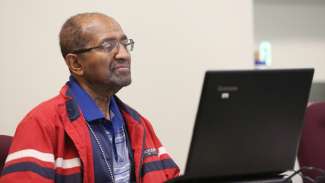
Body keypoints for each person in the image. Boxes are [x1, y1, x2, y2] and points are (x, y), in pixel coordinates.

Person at [0, 12, 179, 183]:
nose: (123, 54)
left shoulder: (138, 124)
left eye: (125, 44)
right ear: (76, 64)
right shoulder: (41, 124)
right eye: (108, 46)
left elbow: (169, 176)